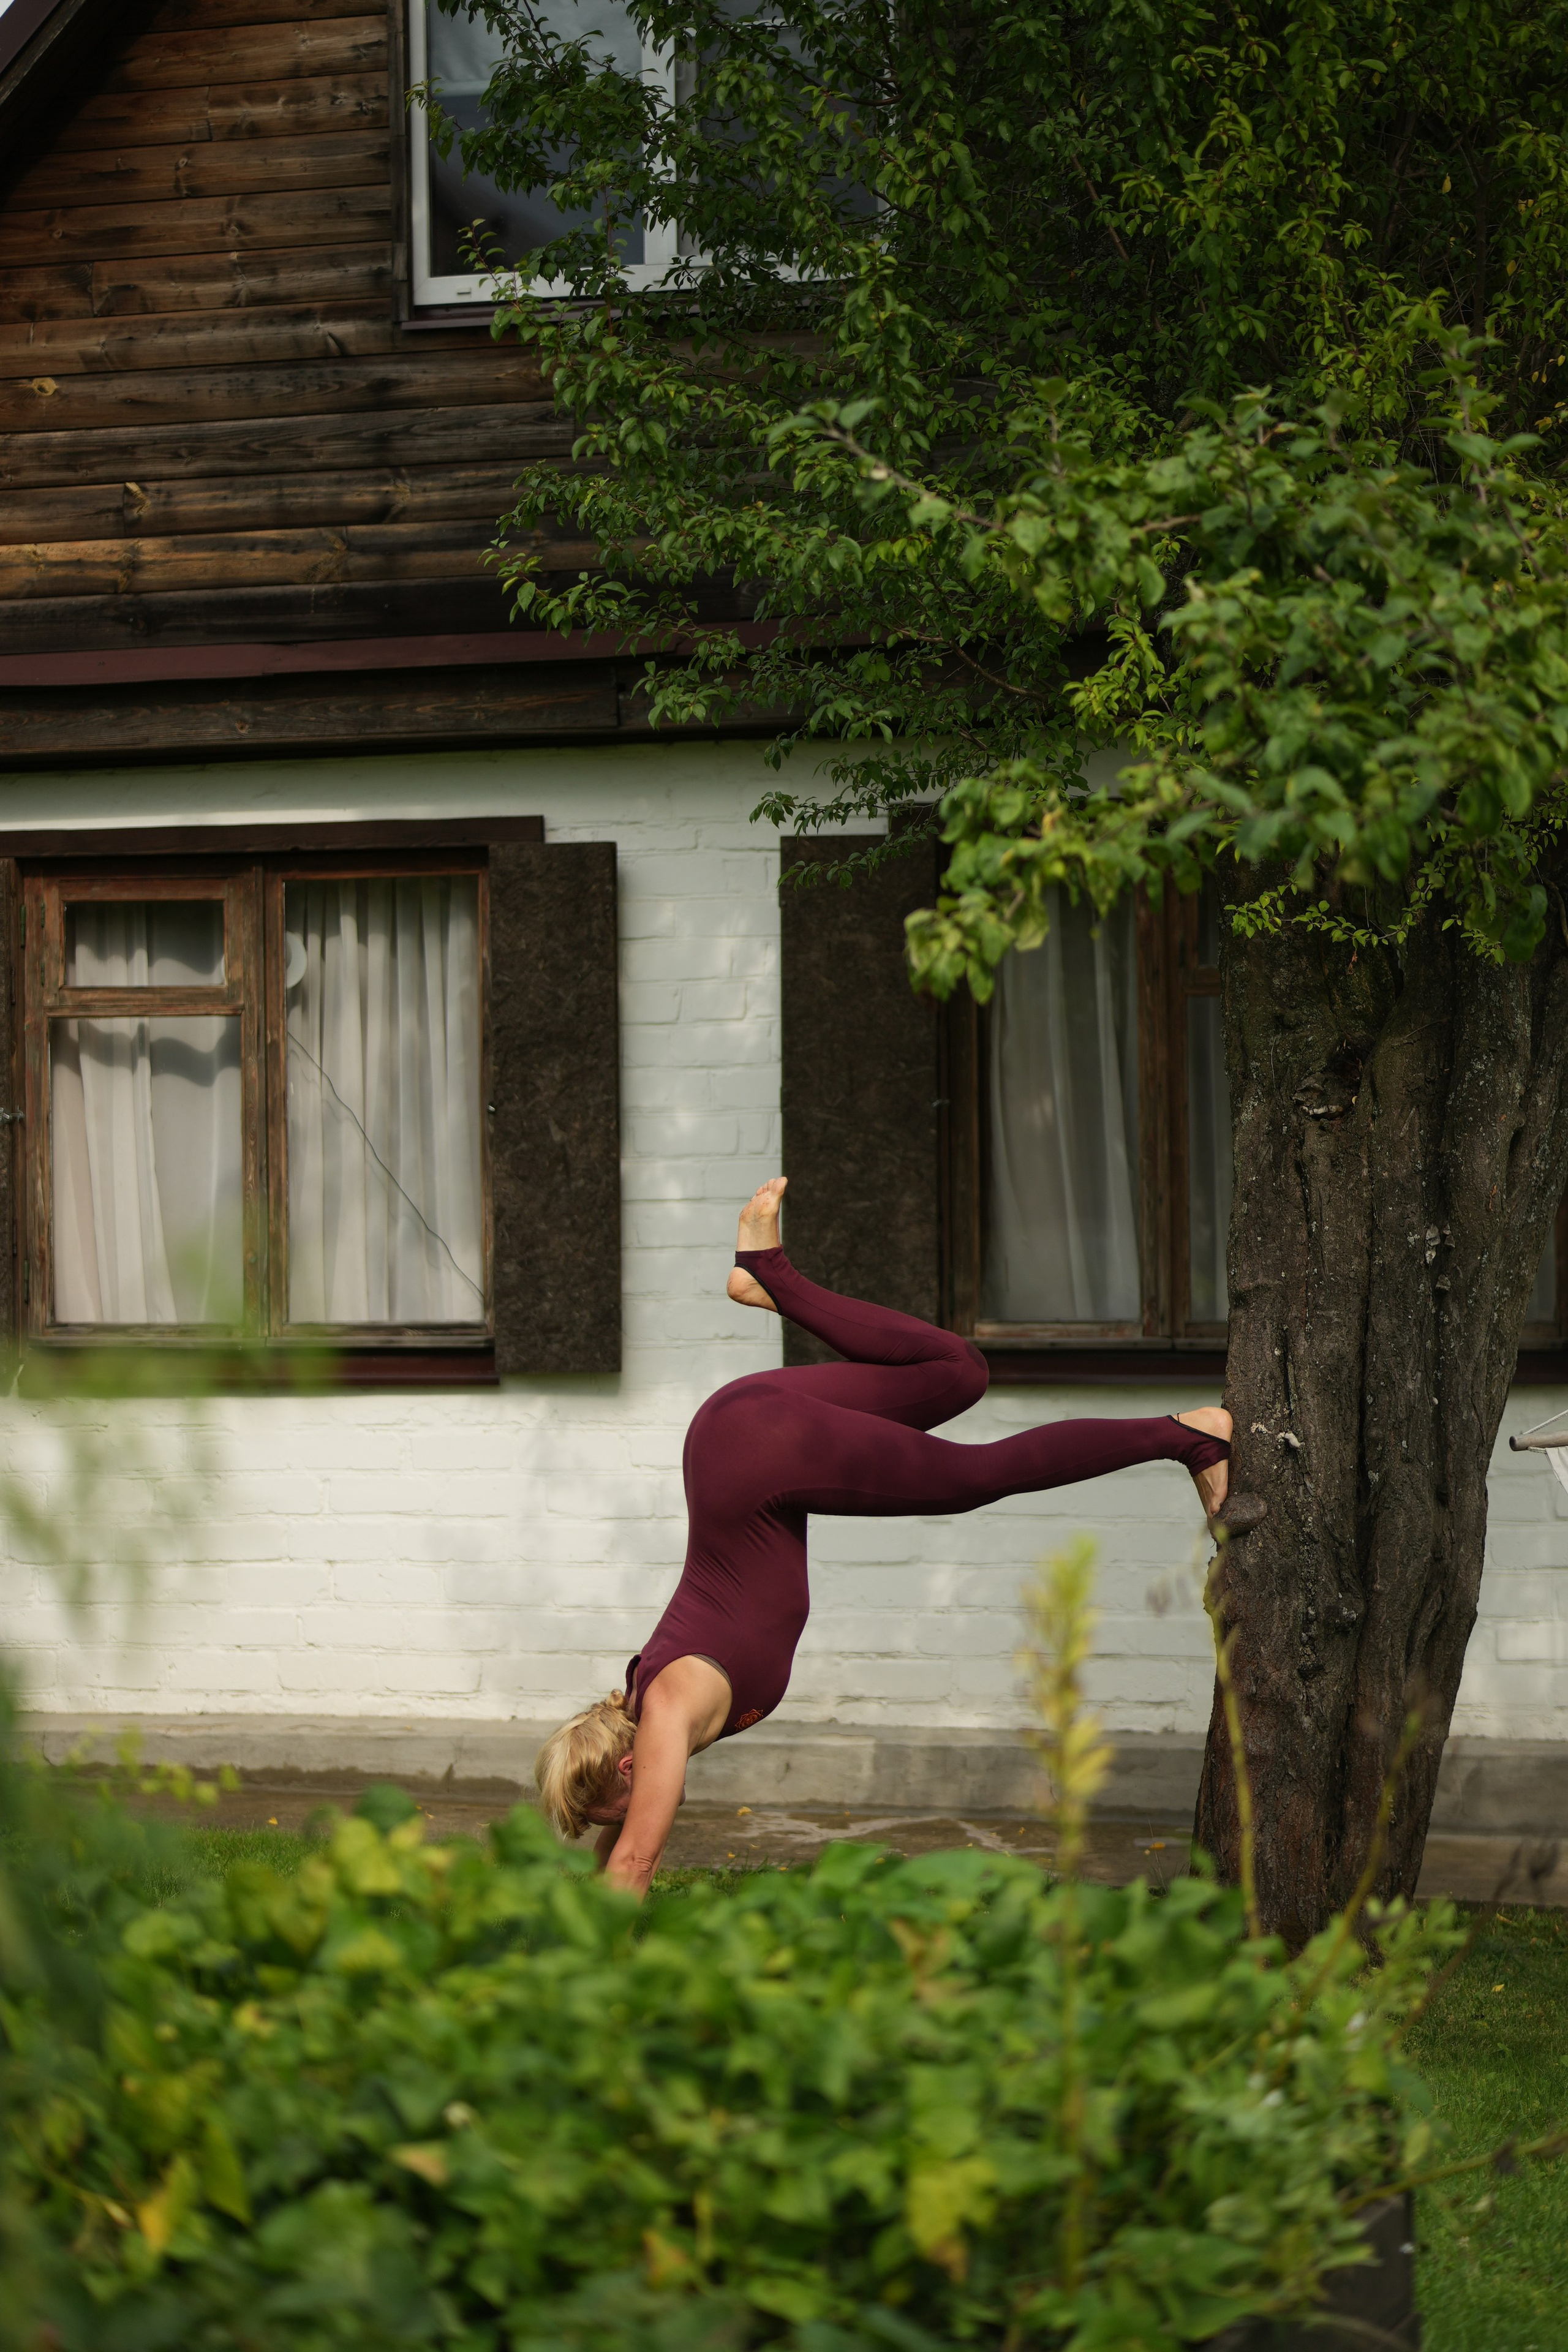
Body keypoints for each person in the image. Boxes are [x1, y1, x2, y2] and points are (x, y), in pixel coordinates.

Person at [534, 1178, 1262, 1896]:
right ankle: (767, 1277)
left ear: (626, 1769)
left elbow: (634, 1863)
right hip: (734, 1434)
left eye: (612, 1813)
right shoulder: (638, 1720)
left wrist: (590, 1992)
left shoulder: (660, 1716)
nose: (621, 1829)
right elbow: (617, 1849)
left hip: (757, 1452)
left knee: (975, 1476)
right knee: (955, 1372)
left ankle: (1188, 1438)